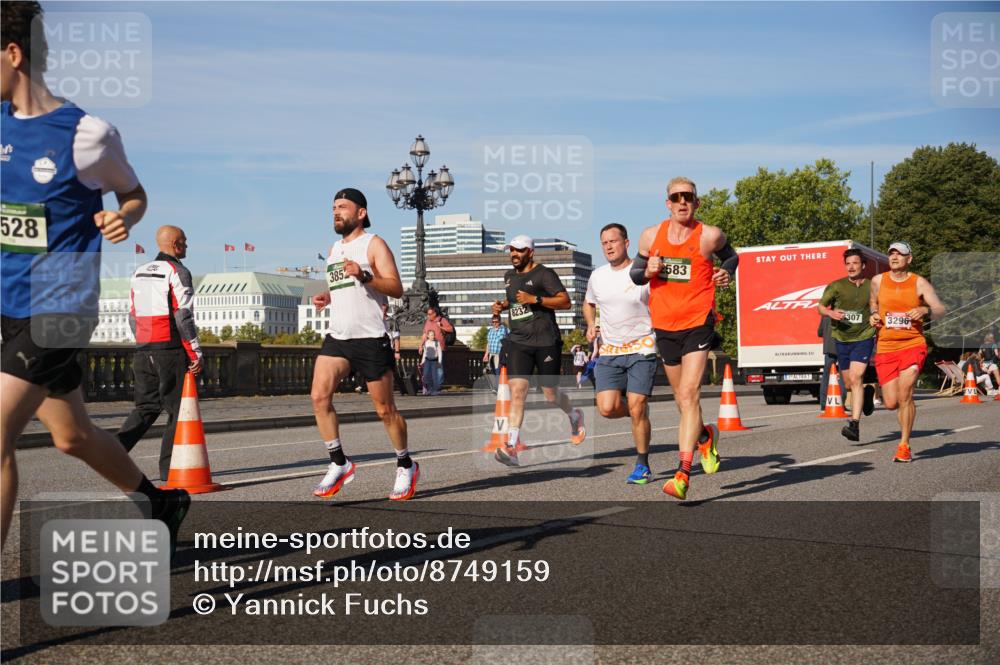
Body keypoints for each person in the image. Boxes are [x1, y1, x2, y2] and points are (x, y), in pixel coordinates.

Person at [1, 2, 188, 549]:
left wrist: (121, 216)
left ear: (13, 55)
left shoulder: (85, 135)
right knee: (72, 435)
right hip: (9, 304)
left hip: (58, 308)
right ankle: (161, 502)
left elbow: (134, 193)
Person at [631, 177, 738, 500]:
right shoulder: (651, 236)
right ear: (667, 202)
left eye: (688, 197)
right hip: (665, 325)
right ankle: (706, 436)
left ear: (696, 202)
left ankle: (682, 473)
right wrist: (648, 270)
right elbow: (635, 275)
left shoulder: (709, 235)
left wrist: (726, 272)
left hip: (698, 321)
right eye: (676, 197)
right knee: (682, 400)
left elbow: (732, 257)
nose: (682, 202)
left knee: (690, 394)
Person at [310, 188, 417, 500]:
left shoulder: (374, 244)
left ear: (361, 213)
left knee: (385, 410)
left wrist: (366, 275)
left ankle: (405, 464)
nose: (336, 212)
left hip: (370, 337)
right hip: (338, 336)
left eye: (343, 207)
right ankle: (339, 463)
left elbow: (396, 288)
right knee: (319, 397)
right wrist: (327, 297)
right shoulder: (333, 249)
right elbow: (345, 288)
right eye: (333, 207)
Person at [117, 226, 203, 480]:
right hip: (170, 349)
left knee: (145, 407)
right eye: (185, 242)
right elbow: (183, 316)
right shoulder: (178, 271)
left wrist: (144, 342)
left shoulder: (139, 271)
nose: (187, 246)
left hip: (143, 350)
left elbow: (133, 316)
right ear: (176, 244)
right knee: (178, 410)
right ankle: (169, 470)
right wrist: (195, 351)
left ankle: (113, 452)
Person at [492, 235, 585, 466]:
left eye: (519, 250)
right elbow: (514, 300)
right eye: (511, 250)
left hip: (545, 341)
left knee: (550, 394)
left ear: (530, 252)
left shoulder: (545, 274)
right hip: (518, 341)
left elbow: (565, 302)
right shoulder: (509, 276)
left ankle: (574, 415)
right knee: (517, 392)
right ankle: (511, 446)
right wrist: (503, 305)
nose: (514, 254)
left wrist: (535, 298)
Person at [584, 223, 657, 484]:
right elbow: (588, 302)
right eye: (604, 243)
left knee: (637, 405)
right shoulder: (598, 276)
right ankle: (639, 414)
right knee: (607, 408)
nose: (608, 247)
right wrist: (591, 324)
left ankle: (642, 464)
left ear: (626, 243)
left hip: (642, 347)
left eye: (613, 241)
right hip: (610, 351)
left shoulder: (641, 272)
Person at [869, 242, 946, 462]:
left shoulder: (919, 282)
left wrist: (924, 309)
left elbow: (940, 309)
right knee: (891, 402)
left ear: (908, 259)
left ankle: (904, 444)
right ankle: (901, 431)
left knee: (906, 392)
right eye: (891, 254)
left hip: (912, 344)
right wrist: (873, 314)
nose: (894, 257)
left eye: (899, 254)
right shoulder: (878, 281)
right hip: (885, 347)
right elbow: (873, 303)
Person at [817, 248, 876, 440]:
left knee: (857, 377)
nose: (851, 267)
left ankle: (854, 425)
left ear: (863, 265)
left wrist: (876, 316)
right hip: (842, 339)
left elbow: (880, 306)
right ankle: (867, 395)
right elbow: (820, 307)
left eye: (855, 263)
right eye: (848, 264)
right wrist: (830, 313)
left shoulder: (872, 286)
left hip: (864, 337)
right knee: (850, 383)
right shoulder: (836, 286)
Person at [817, 314, 847, 412]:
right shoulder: (843, 313)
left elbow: (820, 332)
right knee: (843, 376)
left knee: (826, 376)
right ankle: (841, 403)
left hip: (829, 348)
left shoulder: (825, 315)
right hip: (842, 347)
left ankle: (823, 404)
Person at [423, 305, 454, 389]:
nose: (428, 316)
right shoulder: (427, 322)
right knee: (429, 369)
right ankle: (431, 385)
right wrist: (421, 345)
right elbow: (425, 334)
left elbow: (450, 329)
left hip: (439, 348)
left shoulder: (442, 320)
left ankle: (438, 385)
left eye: (430, 314)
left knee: (439, 368)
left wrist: (440, 326)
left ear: (435, 314)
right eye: (427, 314)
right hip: (429, 349)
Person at [420, 330, 443, 395]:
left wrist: (439, 362)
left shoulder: (436, 343)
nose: (433, 336)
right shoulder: (426, 343)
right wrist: (422, 362)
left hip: (434, 361)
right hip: (427, 360)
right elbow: (425, 353)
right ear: (428, 336)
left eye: (433, 335)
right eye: (431, 335)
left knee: (434, 376)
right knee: (426, 375)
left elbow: (439, 353)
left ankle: (435, 390)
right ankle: (429, 389)